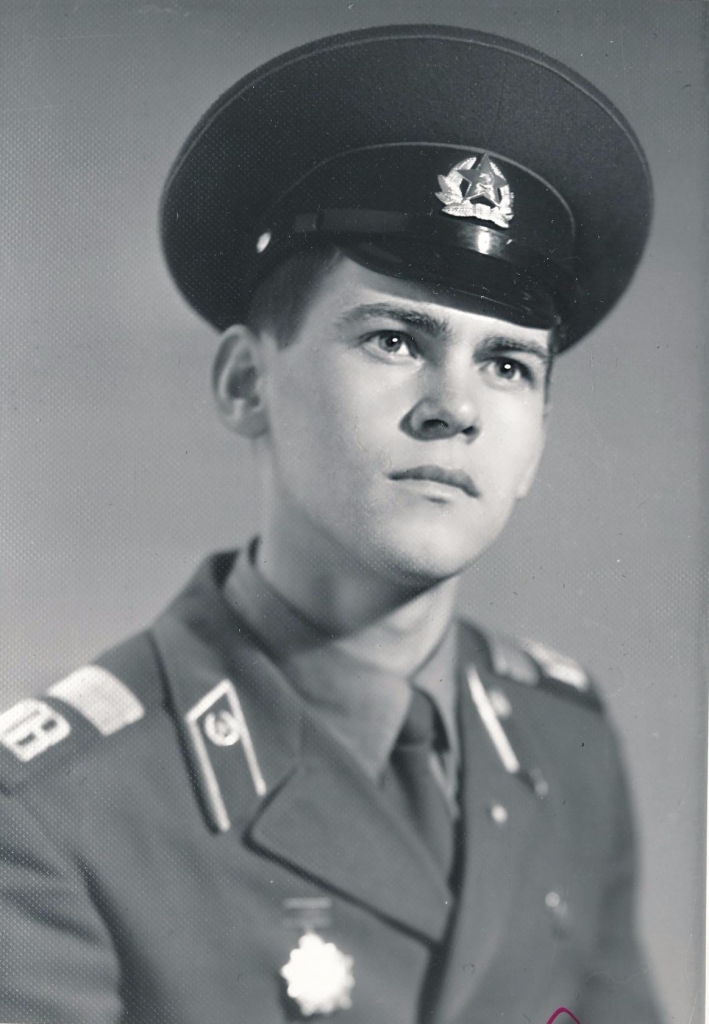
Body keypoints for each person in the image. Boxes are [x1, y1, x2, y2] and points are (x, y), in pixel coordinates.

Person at [0, 24, 663, 1024]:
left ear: (535, 436)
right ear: (245, 383)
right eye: (394, 338)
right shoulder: (57, 812)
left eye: (506, 364)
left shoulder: (563, 741)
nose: (457, 408)